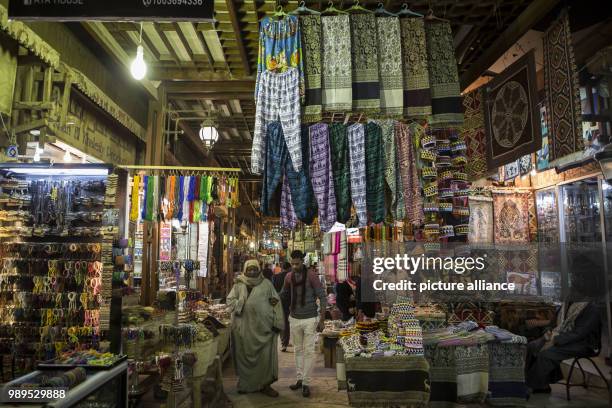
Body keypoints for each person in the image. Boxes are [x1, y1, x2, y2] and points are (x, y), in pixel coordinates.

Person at [525, 254, 603, 393]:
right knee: (532, 346)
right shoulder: (570, 300)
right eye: (574, 277)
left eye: (578, 278)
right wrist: (548, 332)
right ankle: (541, 384)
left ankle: (531, 386)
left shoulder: (592, 307)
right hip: (562, 336)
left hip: (584, 344)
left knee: (546, 354)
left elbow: (579, 334)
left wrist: (556, 340)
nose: (574, 281)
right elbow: (555, 321)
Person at [227, 259, 284, 397]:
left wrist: (278, 322)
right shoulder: (238, 285)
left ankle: (265, 385)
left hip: (264, 329)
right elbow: (230, 301)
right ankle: (246, 385)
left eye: (254, 269)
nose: (252, 271)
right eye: (249, 269)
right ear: (245, 270)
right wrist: (240, 303)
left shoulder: (266, 285)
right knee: (243, 358)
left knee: (265, 359)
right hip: (244, 329)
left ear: (259, 270)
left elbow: (275, 302)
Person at [280, 250, 327, 398]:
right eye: (292, 263)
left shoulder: (312, 275)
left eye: (297, 263)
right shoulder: (288, 277)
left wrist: (322, 319)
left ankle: (306, 382)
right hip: (294, 318)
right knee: (297, 351)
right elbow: (283, 294)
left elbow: (322, 296)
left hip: (310, 318)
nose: (294, 266)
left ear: (303, 261)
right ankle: (299, 379)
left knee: (308, 351)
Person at [273, 262, 292, 351]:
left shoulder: (276, 276)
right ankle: (285, 342)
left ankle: (283, 341)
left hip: (277, 301)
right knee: (286, 322)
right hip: (288, 301)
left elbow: (273, 290)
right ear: (289, 268)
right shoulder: (291, 276)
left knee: (281, 320)